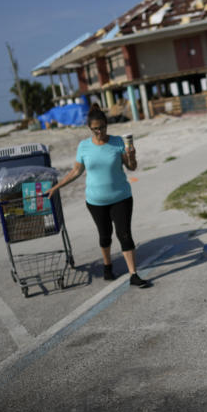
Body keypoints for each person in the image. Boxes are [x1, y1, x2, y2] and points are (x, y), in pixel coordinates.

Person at [45, 109, 152, 288]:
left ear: (107, 125)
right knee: (105, 235)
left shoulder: (119, 142)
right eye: (95, 129)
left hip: (121, 197)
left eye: (102, 127)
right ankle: (107, 266)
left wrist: (132, 155)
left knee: (124, 234)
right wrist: (56, 187)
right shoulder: (83, 146)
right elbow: (76, 171)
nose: (100, 132)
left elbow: (132, 167)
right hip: (96, 201)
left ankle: (133, 274)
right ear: (89, 128)